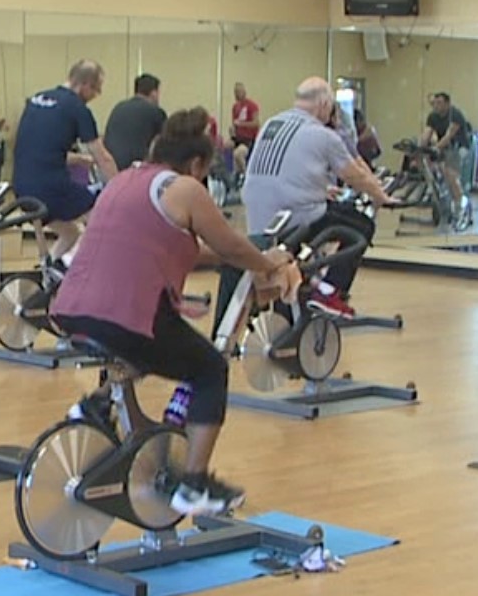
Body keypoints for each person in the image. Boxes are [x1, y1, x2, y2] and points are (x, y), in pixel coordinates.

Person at [51, 108, 300, 517]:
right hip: (124, 315)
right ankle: (194, 484)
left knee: (151, 349)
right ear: (197, 163)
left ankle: (96, 406)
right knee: (208, 368)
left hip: (74, 308)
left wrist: (230, 260)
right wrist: (269, 263)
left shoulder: (124, 181)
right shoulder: (184, 187)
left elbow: (166, 245)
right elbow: (232, 245)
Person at [228, 77, 397, 322]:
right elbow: (355, 175)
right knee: (361, 226)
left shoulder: (273, 123)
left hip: (258, 217)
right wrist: (383, 197)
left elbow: (281, 169)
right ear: (324, 103)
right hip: (295, 216)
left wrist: (320, 188)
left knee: (327, 218)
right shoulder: (323, 134)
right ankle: (330, 294)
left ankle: (303, 294)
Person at [12, 60, 118, 267]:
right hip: (51, 189)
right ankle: (92, 271)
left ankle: (48, 274)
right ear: (85, 85)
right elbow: (102, 156)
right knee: (104, 210)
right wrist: (120, 187)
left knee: (71, 232)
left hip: (22, 187)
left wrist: (78, 159)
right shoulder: (77, 109)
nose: (96, 95)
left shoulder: (36, 99)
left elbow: (40, 149)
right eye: (96, 90)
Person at [103, 73, 166, 171]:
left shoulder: (119, 107)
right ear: (154, 93)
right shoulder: (156, 112)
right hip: (137, 169)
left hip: (111, 167)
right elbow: (165, 144)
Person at [423, 92, 473, 215]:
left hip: (460, 147)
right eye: (435, 103)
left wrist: (436, 148)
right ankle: (437, 193)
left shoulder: (455, 115)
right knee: (428, 163)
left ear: (447, 104)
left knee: (450, 174)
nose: (436, 105)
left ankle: (460, 206)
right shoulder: (432, 116)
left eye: (439, 103)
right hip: (445, 148)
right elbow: (426, 135)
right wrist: (419, 149)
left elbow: (449, 136)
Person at [230, 82, 260, 149]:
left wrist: (241, 124)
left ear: (244, 92)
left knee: (238, 153)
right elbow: (234, 124)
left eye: (238, 92)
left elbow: (256, 124)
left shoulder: (252, 105)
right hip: (238, 138)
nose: (236, 94)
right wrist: (232, 129)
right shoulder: (235, 107)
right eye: (235, 92)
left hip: (249, 139)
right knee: (226, 145)